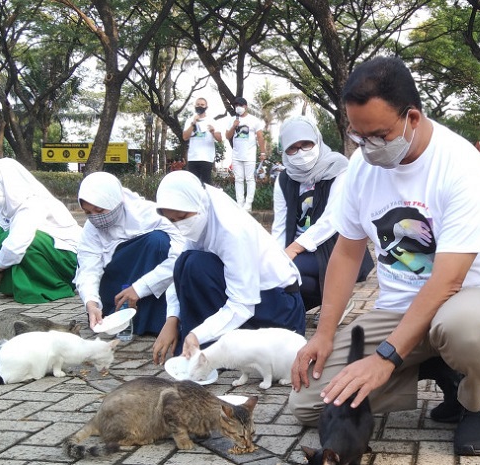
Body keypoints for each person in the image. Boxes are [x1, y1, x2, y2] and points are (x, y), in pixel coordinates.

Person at [288, 56, 480, 456]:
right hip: (399, 309)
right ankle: (436, 368)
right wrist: (324, 334)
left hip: (465, 301)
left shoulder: (461, 167)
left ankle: (475, 402)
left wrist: (384, 358)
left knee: (467, 330)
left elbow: (447, 281)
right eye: (357, 137)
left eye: (378, 135)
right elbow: (346, 253)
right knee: (311, 404)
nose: (367, 148)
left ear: (412, 117)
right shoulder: (362, 169)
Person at [152, 171, 306, 364]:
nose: (180, 225)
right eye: (173, 221)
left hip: (280, 310)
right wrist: (172, 318)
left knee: (196, 266)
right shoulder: (201, 208)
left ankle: (208, 348)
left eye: (182, 216)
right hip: (258, 299)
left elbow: (242, 304)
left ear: (197, 203)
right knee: (185, 262)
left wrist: (197, 335)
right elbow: (179, 271)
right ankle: (205, 345)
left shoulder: (231, 228)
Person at [272, 116, 375, 313]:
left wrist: (293, 249)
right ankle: (332, 300)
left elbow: (332, 219)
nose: (300, 152)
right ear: (284, 150)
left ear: (317, 140)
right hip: (299, 249)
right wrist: (275, 257)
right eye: (293, 148)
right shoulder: (284, 179)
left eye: (306, 144)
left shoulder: (338, 169)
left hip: (333, 246)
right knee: (276, 273)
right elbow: (280, 224)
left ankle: (337, 299)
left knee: (291, 271)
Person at [73, 172, 186, 336]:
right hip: (115, 284)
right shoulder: (91, 230)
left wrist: (141, 288)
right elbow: (88, 268)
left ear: (115, 202)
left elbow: (180, 255)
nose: (96, 218)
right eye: (88, 213)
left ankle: (151, 319)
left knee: (157, 241)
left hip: (151, 278)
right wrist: (91, 303)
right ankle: (114, 312)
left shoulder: (149, 215)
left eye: (99, 210)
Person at [0, 158, 82, 304]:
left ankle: (46, 286)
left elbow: (16, 244)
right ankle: (10, 285)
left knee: (26, 241)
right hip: (46, 253)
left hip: (68, 260)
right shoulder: (2, 208)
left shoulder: (33, 202)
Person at [220, 97, 266, 212]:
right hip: (236, 155)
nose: (238, 108)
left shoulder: (254, 120)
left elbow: (260, 137)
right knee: (238, 179)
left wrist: (263, 152)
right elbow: (227, 136)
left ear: (245, 106)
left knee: (250, 179)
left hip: (250, 154)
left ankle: (248, 204)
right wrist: (234, 126)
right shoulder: (232, 120)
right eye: (236, 106)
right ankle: (239, 203)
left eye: (240, 105)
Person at [183, 97, 221, 185]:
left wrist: (213, 131)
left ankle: (206, 199)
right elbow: (185, 137)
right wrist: (193, 123)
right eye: (198, 104)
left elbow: (219, 139)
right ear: (195, 106)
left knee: (206, 183)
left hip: (206, 157)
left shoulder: (212, 121)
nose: (200, 106)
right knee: (193, 184)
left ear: (206, 106)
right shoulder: (190, 120)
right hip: (193, 157)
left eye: (202, 105)